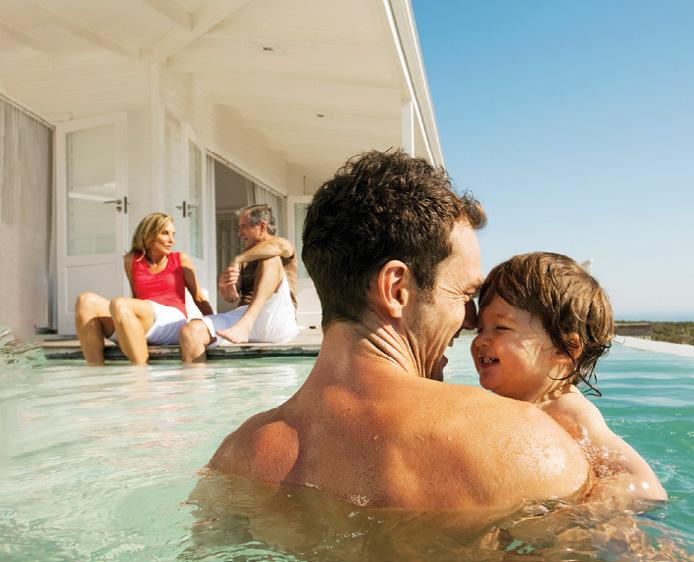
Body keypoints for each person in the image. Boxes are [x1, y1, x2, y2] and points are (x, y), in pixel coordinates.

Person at [205, 150, 590, 512]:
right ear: (396, 290)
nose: (472, 321)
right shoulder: (522, 445)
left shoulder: (235, 457)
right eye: (464, 294)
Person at [471, 252, 667, 501]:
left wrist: (586, 513)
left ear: (564, 349)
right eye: (480, 329)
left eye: (501, 327)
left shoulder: (566, 410)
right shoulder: (515, 405)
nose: (481, 340)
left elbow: (640, 483)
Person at [75, 212, 213, 365]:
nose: (171, 240)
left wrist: (214, 327)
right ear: (148, 234)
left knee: (120, 303)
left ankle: (140, 372)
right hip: (145, 319)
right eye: (165, 233)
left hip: (172, 321)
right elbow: (136, 296)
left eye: (173, 234)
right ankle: (95, 370)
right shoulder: (131, 260)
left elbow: (198, 297)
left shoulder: (180, 259)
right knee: (85, 301)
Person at [179, 204, 298, 362]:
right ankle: (197, 379)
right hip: (243, 315)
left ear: (262, 227)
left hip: (276, 317)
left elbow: (281, 246)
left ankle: (246, 324)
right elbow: (231, 298)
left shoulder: (281, 245)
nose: (239, 233)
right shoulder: (246, 257)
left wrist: (237, 259)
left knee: (270, 259)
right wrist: (225, 286)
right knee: (191, 331)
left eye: (243, 227)